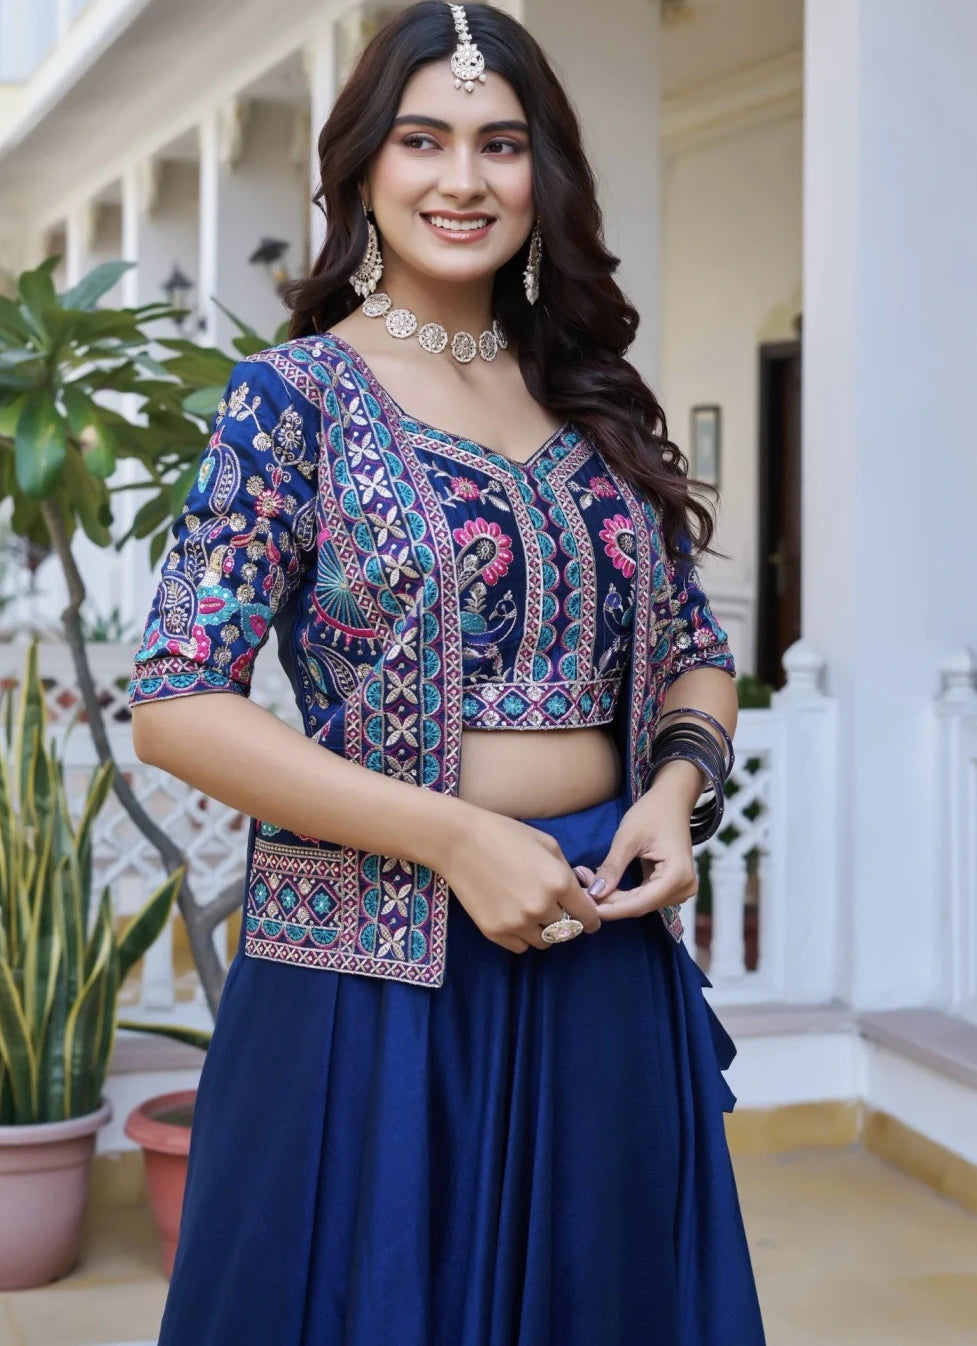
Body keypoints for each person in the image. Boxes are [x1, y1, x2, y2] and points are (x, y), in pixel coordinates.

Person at [128, 3, 766, 1342]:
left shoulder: (591, 399)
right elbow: (179, 702)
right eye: (422, 141)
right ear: (363, 167)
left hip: (598, 948)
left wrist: (671, 792)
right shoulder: (290, 396)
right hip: (377, 982)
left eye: (500, 143)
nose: (462, 180)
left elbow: (695, 660)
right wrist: (459, 838)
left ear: (547, 175)